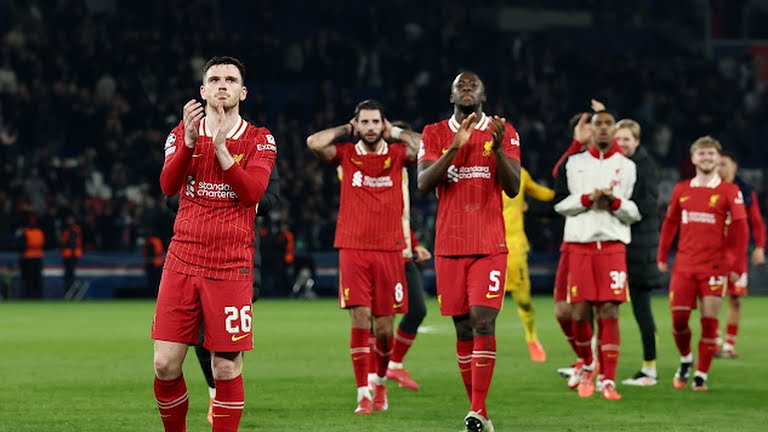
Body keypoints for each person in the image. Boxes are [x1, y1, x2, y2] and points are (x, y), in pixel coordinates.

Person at [152, 56, 276, 432]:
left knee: (224, 365)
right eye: (215, 79)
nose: (223, 85)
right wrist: (191, 143)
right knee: (165, 364)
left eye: (231, 79)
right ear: (203, 90)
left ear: (243, 91)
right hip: (183, 259)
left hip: (230, 265)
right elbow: (167, 187)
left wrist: (222, 149)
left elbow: (252, 192)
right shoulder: (180, 134)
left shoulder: (260, 139)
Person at [417, 71, 521, 432]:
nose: (466, 89)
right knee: (463, 329)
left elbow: (512, 188)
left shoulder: (502, 130)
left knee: (482, 321)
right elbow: (423, 183)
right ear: (451, 97)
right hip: (449, 245)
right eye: (460, 85)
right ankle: (482, 414)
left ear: (484, 93)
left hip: (489, 245)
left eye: (473, 84)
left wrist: (502, 148)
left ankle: (475, 412)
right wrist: (455, 146)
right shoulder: (433, 132)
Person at [306, 99, 420, 415]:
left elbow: (427, 148)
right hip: (353, 248)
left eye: (375, 122)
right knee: (359, 319)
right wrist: (345, 129)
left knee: (384, 330)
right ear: (358, 124)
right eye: (365, 122)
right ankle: (363, 394)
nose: (370, 128)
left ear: (383, 124)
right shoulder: (346, 155)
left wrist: (395, 131)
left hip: (390, 249)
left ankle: (380, 381)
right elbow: (313, 142)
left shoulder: (397, 156)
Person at [554, 110, 640, 401]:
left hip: (613, 247)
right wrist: (588, 199)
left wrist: (613, 202)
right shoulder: (574, 164)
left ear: (614, 130)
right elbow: (561, 206)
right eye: (598, 124)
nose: (603, 129)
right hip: (580, 247)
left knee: (609, 311)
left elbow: (633, 212)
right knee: (578, 312)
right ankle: (589, 363)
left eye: (608, 124)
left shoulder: (626, 166)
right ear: (590, 130)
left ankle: (608, 379)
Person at [657, 136, 748, 391]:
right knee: (679, 320)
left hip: (715, 267)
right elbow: (670, 223)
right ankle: (686, 358)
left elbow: (741, 230)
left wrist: (737, 266)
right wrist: (662, 254)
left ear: (718, 159)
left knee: (709, 320)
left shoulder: (731, 191)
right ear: (693, 158)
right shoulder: (681, 189)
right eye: (702, 154)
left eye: (711, 154)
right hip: (685, 266)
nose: (706, 158)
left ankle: (701, 374)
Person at [194, 166, 280, 424]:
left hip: (238, 257)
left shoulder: (257, 148)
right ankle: (214, 393)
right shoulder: (198, 148)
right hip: (198, 254)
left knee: (231, 341)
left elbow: (268, 200)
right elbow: (170, 197)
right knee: (200, 338)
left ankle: (225, 395)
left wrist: (230, 187)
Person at [381, 121, 432, 392]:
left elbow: (400, 215)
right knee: (380, 318)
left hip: (402, 250)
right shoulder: (377, 165)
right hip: (379, 251)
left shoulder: (402, 171)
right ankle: (370, 379)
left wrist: (414, 244)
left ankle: (394, 365)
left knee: (417, 310)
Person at [613, 119, 662, 387]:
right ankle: (593, 366)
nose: (621, 144)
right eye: (618, 139)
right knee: (606, 308)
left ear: (637, 141)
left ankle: (650, 370)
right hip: (625, 245)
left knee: (641, 310)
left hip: (638, 249)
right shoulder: (621, 165)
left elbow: (644, 206)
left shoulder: (645, 167)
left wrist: (614, 205)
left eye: (627, 139)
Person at [715, 152, 765, 358]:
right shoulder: (709, 189)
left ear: (734, 166)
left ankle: (729, 344)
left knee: (735, 298)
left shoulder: (745, 192)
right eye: (718, 164)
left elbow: (757, 223)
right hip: (713, 254)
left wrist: (760, 247)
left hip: (737, 255)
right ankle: (715, 340)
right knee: (712, 296)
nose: (720, 168)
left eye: (724, 164)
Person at [502, 167, 554, 362]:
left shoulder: (519, 173)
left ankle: (532, 338)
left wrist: (566, 192)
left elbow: (541, 193)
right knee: (482, 301)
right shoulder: (478, 169)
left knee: (523, 299)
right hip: (485, 244)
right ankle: (478, 344)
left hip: (514, 246)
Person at [60, 214, 83, 295]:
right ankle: (68, 292)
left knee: (71, 274)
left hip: (73, 254)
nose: (70, 221)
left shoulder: (75, 229)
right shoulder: (66, 229)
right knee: (67, 274)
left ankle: (73, 292)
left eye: (71, 219)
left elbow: (71, 241)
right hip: (67, 254)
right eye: (68, 219)